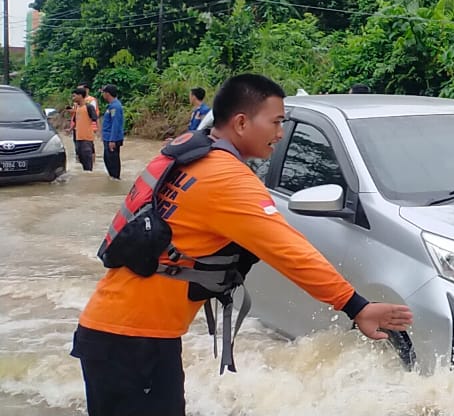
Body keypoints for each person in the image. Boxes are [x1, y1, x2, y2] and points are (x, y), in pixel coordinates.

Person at [72, 74, 413, 416]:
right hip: (131, 342)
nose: (280, 134)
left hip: (122, 333)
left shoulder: (192, 153)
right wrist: (356, 306)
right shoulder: (226, 178)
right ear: (240, 122)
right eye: (276, 122)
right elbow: (289, 250)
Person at [98, 85, 125, 180]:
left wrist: (112, 140)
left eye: (103, 93)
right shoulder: (111, 106)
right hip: (108, 138)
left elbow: (116, 124)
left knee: (112, 162)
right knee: (107, 160)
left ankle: (115, 179)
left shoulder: (115, 107)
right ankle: (113, 179)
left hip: (112, 139)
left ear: (107, 94)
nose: (102, 95)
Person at [70, 87, 98, 172]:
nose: (73, 98)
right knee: (81, 161)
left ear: (80, 96)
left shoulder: (89, 107)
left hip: (87, 139)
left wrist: (98, 131)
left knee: (88, 164)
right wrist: (70, 129)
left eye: (74, 96)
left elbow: (95, 119)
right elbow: (75, 121)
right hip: (78, 139)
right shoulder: (77, 108)